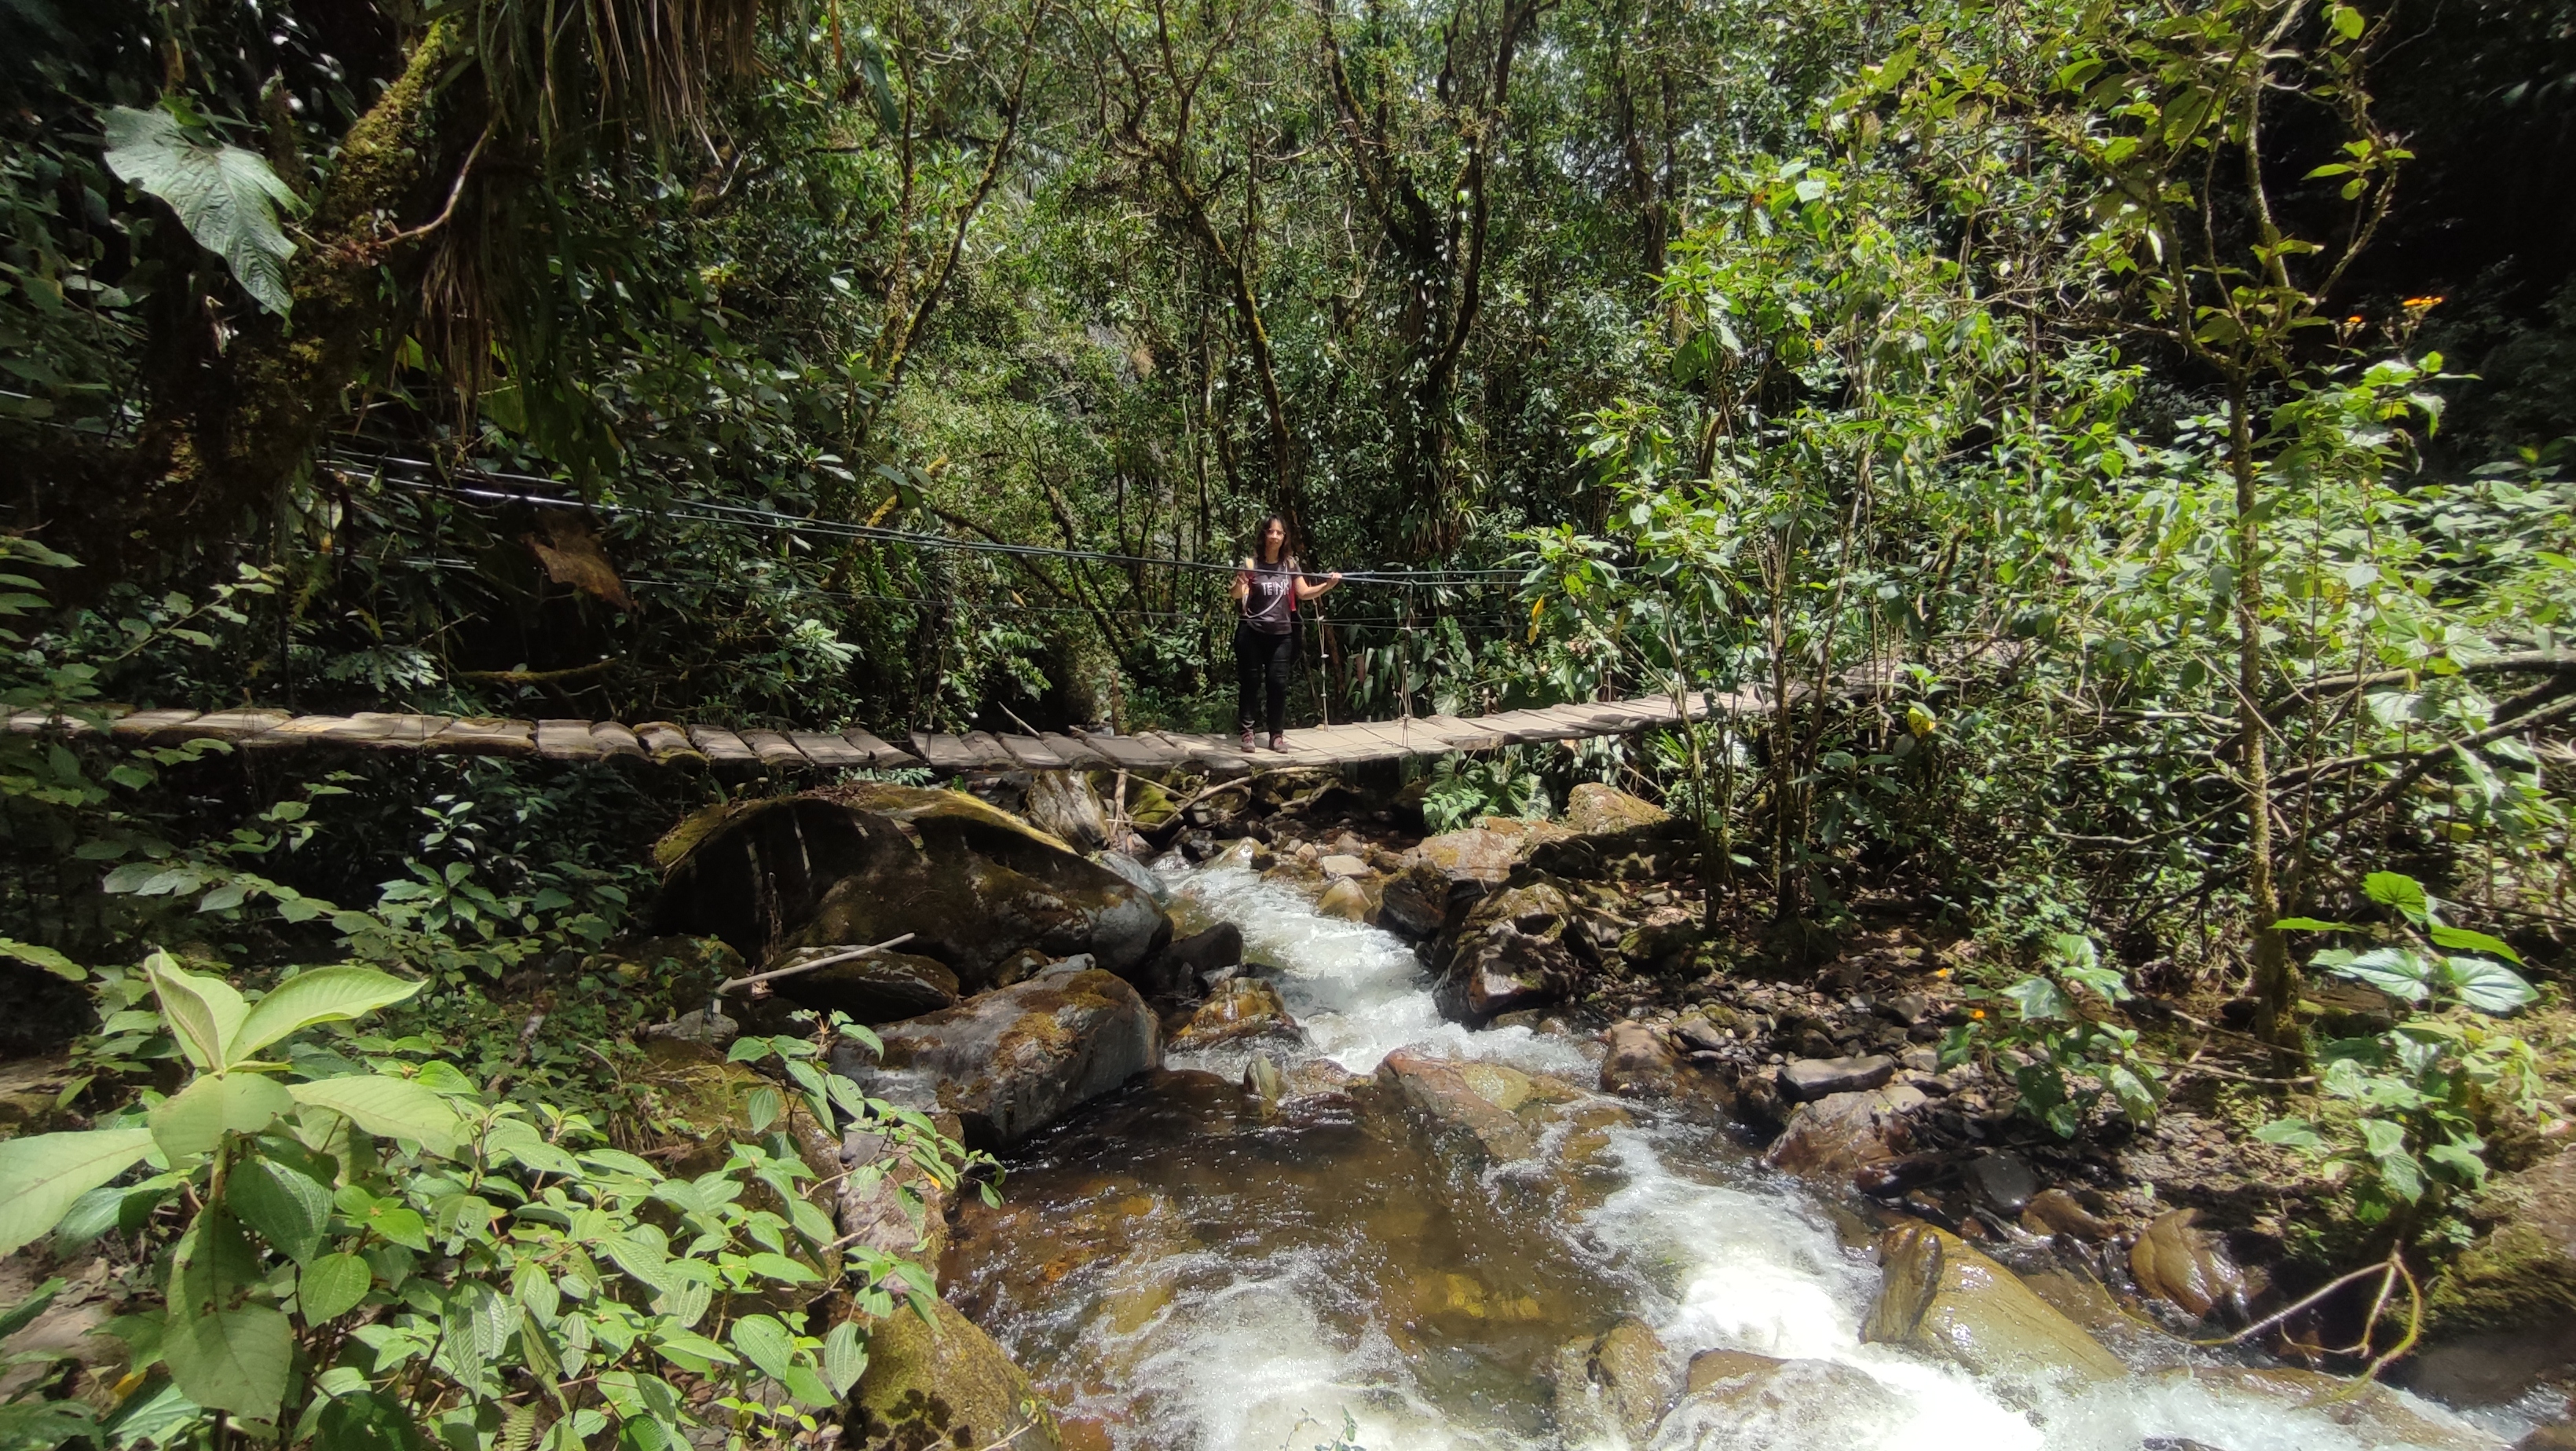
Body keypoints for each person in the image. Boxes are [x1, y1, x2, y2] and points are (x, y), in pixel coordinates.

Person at [1230, 514, 1341, 751]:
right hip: (1252, 632)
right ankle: (1247, 733)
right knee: (1250, 682)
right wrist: (1239, 585)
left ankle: (1276, 736)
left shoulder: (1289, 565)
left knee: (1277, 684)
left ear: (1284, 537)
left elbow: (1303, 592)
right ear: (1264, 535)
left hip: (1282, 634)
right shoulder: (1250, 564)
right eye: (1271, 531)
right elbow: (1236, 595)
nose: (1275, 536)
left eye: (1279, 532)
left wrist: (1328, 585)